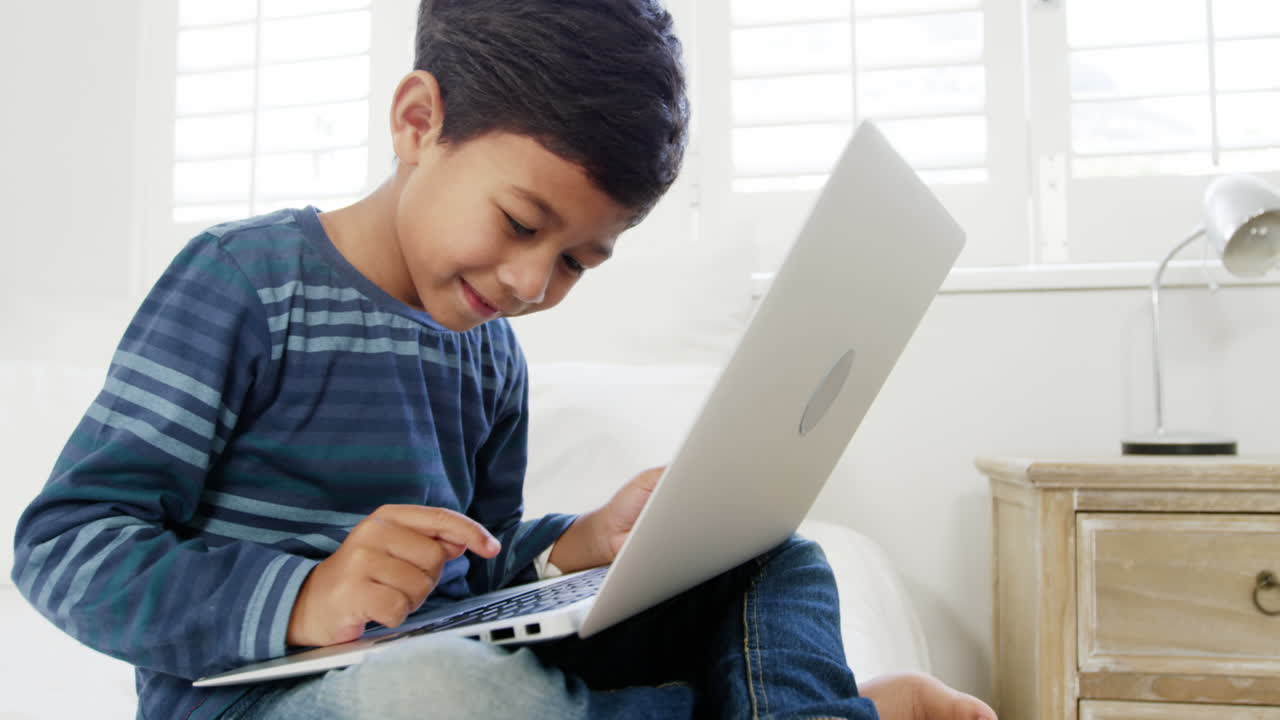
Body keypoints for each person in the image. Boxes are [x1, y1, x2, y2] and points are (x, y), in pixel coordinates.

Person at [11, 1, 998, 718]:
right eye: (522, 223)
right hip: (269, 702)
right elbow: (64, 546)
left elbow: (474, 581)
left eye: (576, 259)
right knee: (434, 695)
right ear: (417, 121)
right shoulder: (243, 284)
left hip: (462, 670)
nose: (532, 283)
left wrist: (576, 550)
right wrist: (304, 599)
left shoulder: (489, 356)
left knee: (771, 554)